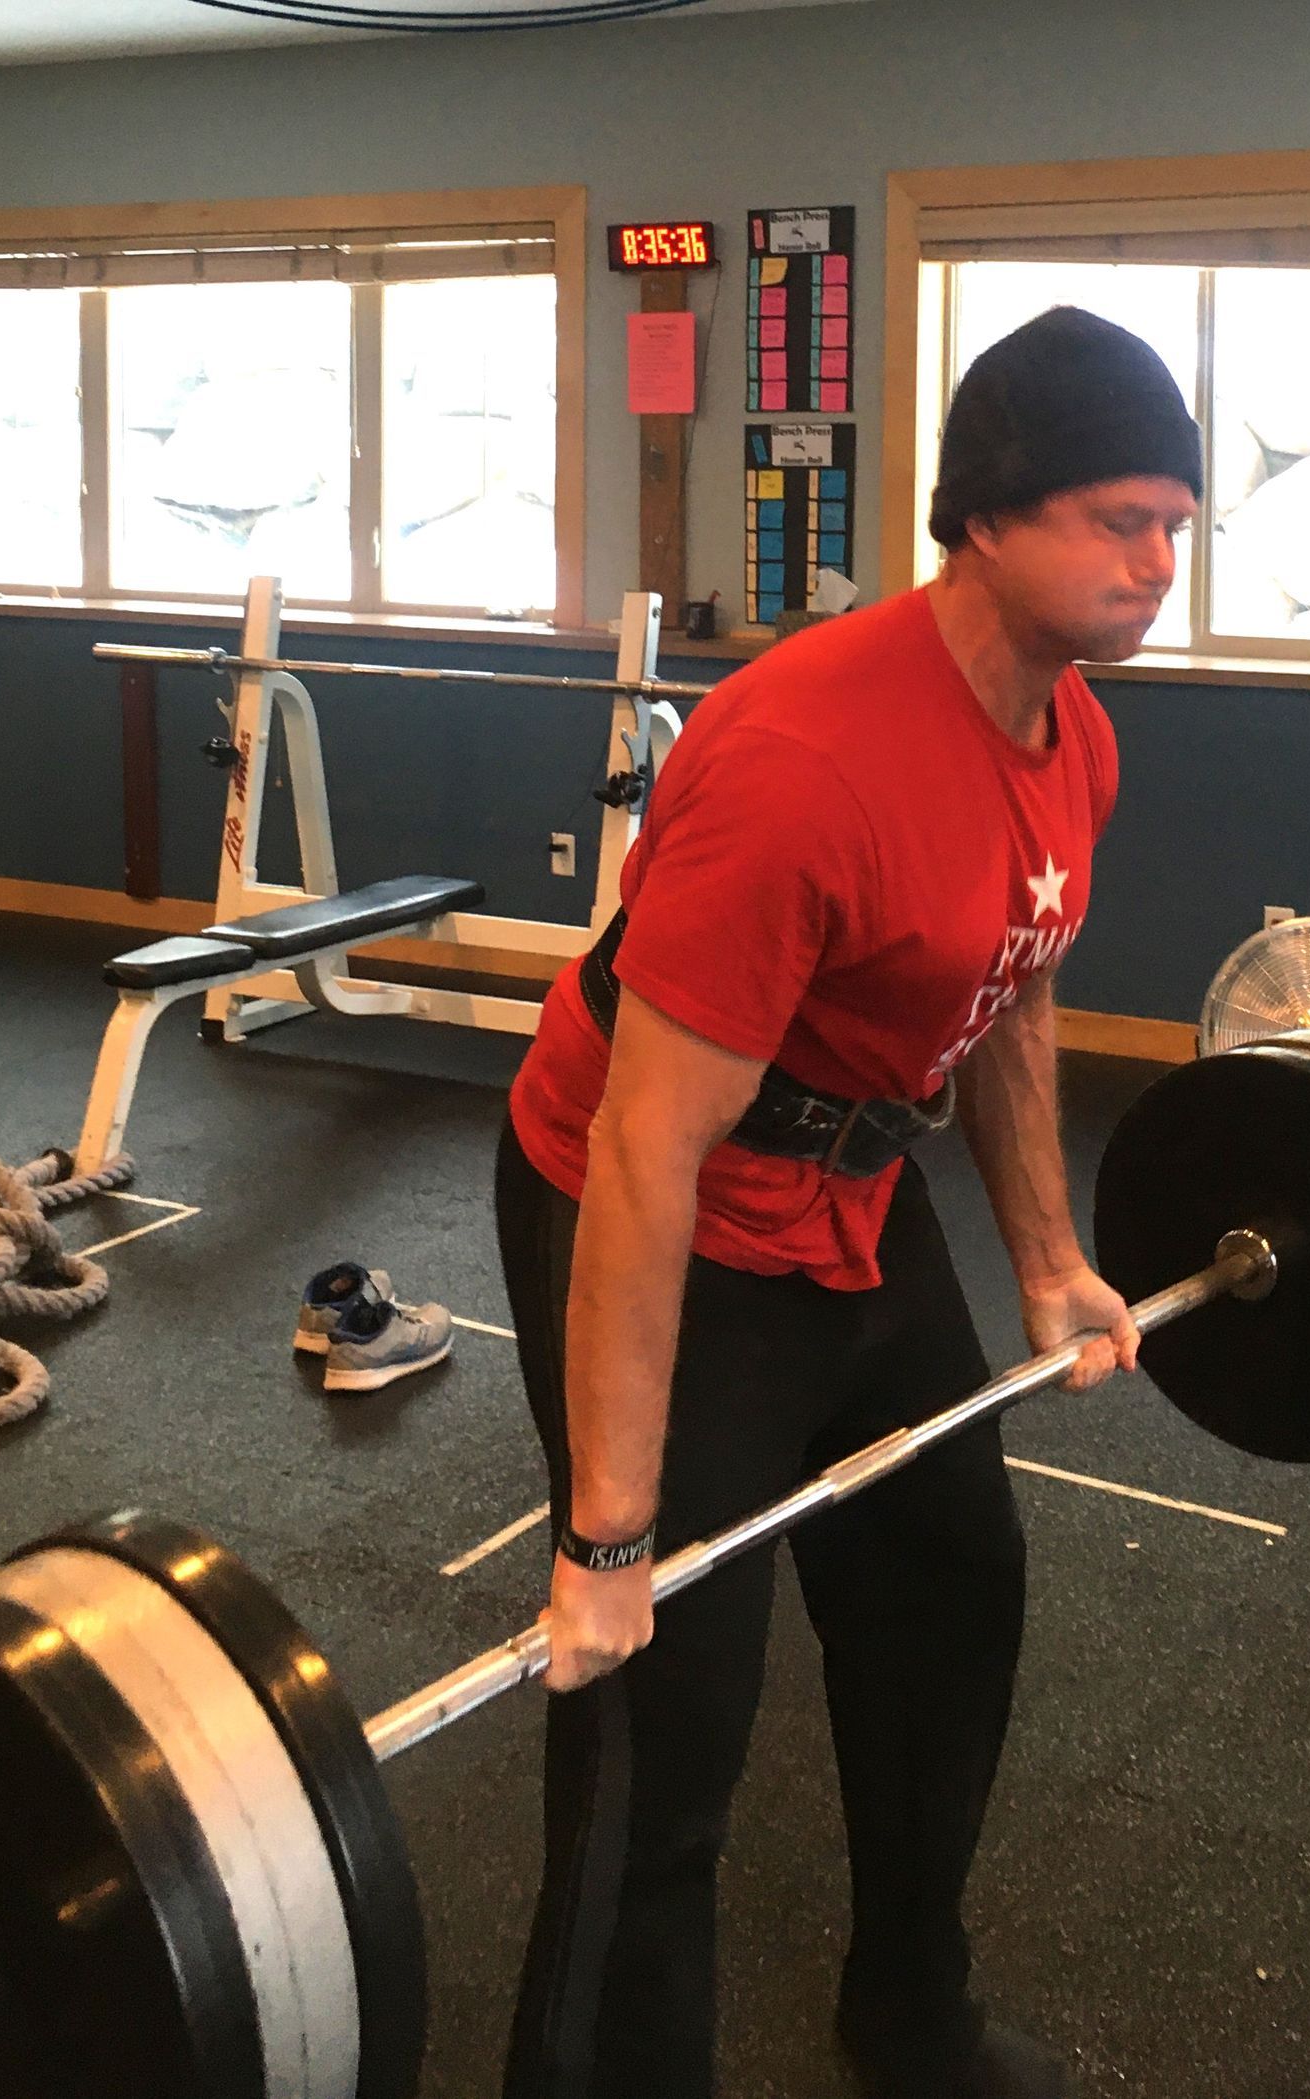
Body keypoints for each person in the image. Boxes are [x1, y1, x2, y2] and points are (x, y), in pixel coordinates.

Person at [494, 305, 1204, 2099]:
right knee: (664, 1710)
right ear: (987, 514)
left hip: (852, 1193)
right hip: (658, 1199)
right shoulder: (806, 760)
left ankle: (907, 2015)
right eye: (1120, 520)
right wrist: (603, 1536)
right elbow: (651, 1149)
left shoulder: (1073, 736)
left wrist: (1046, 1257)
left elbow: (1015, 988)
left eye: (1178, 526)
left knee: (949, 1586)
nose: (1157, 566)